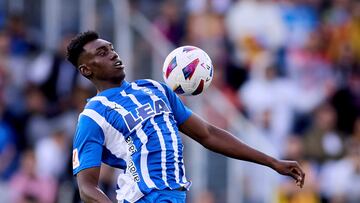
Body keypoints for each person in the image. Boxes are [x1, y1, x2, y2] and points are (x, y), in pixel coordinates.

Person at [66, 31, 305, 203]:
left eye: (112, 48)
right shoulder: (93, 116)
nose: (113, 55)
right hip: (144, 197)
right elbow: (87, 187)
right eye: (102, 52)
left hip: (176, 195)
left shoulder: (155, 89)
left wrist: (271, 161)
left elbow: (208, 134)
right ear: (87, 69)